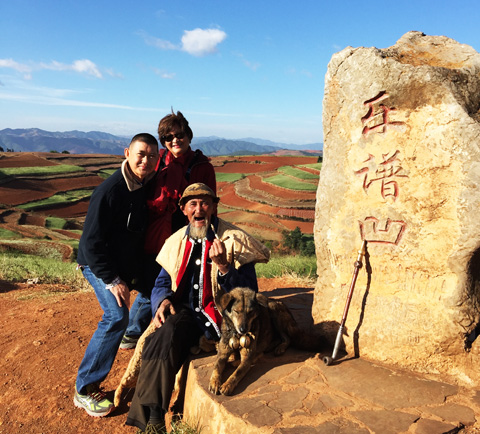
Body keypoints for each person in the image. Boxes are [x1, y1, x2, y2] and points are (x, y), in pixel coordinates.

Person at [126, 183, 270, 433]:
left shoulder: (234, 240)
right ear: (183, 209)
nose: (199, 209)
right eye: (192, 204)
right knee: (161, 337)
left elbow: (250, 293)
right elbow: (161, 282)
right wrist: (162, 301)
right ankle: (153, 419)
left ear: (214, 207)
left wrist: (225, 268)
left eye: (205, 203)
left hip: (222, 319)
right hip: (186, 313)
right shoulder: (175, 242)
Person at [74, 133, 159, 417]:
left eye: (151, 156)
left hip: (124, 263)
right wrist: (113, 280)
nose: (145, 160)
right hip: (98, 264)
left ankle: (130, 336)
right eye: (140, 154)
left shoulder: (143, 186)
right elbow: (90, 243)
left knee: (156, 288)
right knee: (116, 315)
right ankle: (85, 389)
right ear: (127, 153)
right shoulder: (110, 191)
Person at [120, 111, 216, 351]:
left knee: (182, 277)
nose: (175, 140)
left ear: (188, 135)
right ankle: (133, 332)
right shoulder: (158, 159)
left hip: (186, 230)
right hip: (155, 229)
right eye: (168, 137)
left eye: (179, 135)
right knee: (153, 278)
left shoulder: (202, 166)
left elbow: (210, 202)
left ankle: (165, 324)